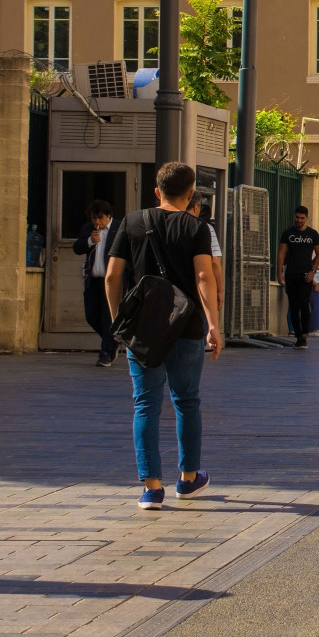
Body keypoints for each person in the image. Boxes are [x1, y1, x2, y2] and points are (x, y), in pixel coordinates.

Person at [104, 162, 220, 511]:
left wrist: (119, 324)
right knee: (187, 401)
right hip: (186, 327)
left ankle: (151, 488)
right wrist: (214, 324)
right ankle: (188, 479)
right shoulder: (196, 227)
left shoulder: (132, 222)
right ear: (190, 194)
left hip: (143, 331)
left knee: (146, 404)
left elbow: (111, 276)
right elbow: (203, 277)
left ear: (156, 191)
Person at [73, 200, 121, 366]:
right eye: (94, 218)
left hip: (112, 281)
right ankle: (114, 341)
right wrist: (90, 241)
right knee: (91, 316)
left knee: (108, 318)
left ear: (108, 216)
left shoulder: (119, 228)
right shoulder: (88, 229)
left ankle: (106, 353)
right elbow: (77, 248)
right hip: (93, 280)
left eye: (100, 218)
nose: (97, 222)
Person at [276, 205, 319, 348]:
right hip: (291, 274)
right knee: (294, 306)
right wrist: (279, 273)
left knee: (304, 303)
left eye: (302, 218)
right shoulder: (288, 233)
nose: (299, 220)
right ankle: (298, 336)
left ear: (306, 218)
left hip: (306, 275)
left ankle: (304, 334)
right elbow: (281, 253)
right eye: (297, 217)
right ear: (294, 217)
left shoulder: (313, 234)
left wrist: (313, 270)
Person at [187, 193, 224, 326]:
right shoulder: (204, 228)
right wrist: (219, 290)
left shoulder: (163, 223)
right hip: (197, 292)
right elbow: (214, 262)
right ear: (197, 207)